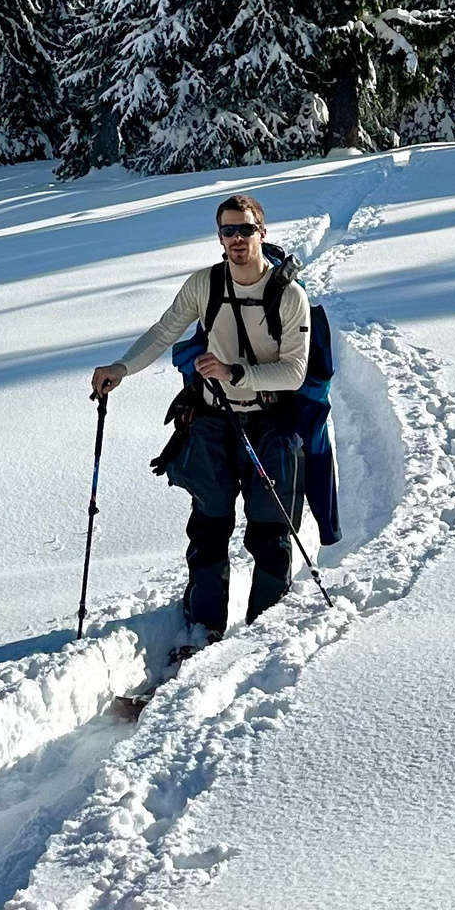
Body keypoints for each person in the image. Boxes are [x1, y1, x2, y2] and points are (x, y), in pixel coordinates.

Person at [90, 190, 311, 647]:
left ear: (262, 233)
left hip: (270, 421)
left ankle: (264, 629)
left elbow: (293, 371)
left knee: (270, 528)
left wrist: (236, 372)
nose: (236, 239)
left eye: (245, 229)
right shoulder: (204, 285)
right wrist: (121, 369)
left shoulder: (289, 296)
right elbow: (164, 331)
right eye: (227, 230)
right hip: (214, 418)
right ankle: (203, 624)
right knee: (209, 525)